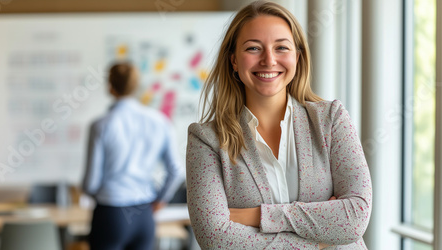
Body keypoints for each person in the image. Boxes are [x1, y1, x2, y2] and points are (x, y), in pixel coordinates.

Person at [186, 1, 372, 249]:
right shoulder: (206, 139)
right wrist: (318, 243)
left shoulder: (331, 120)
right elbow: (215, 238)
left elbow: (355, 218)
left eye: (281, 47)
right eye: (253, 48)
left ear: (297, 56)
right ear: (233, 60)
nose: (269, 60)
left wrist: (259, 216)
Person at [82, 63, 183, 250]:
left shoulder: (101, 125)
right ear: (137, 86)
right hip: (144, 214)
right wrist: (160, 199)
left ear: (110, 87)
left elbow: (90, 184)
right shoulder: (160, 121)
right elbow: (175, 171)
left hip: (110, 213)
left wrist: (97, 194)